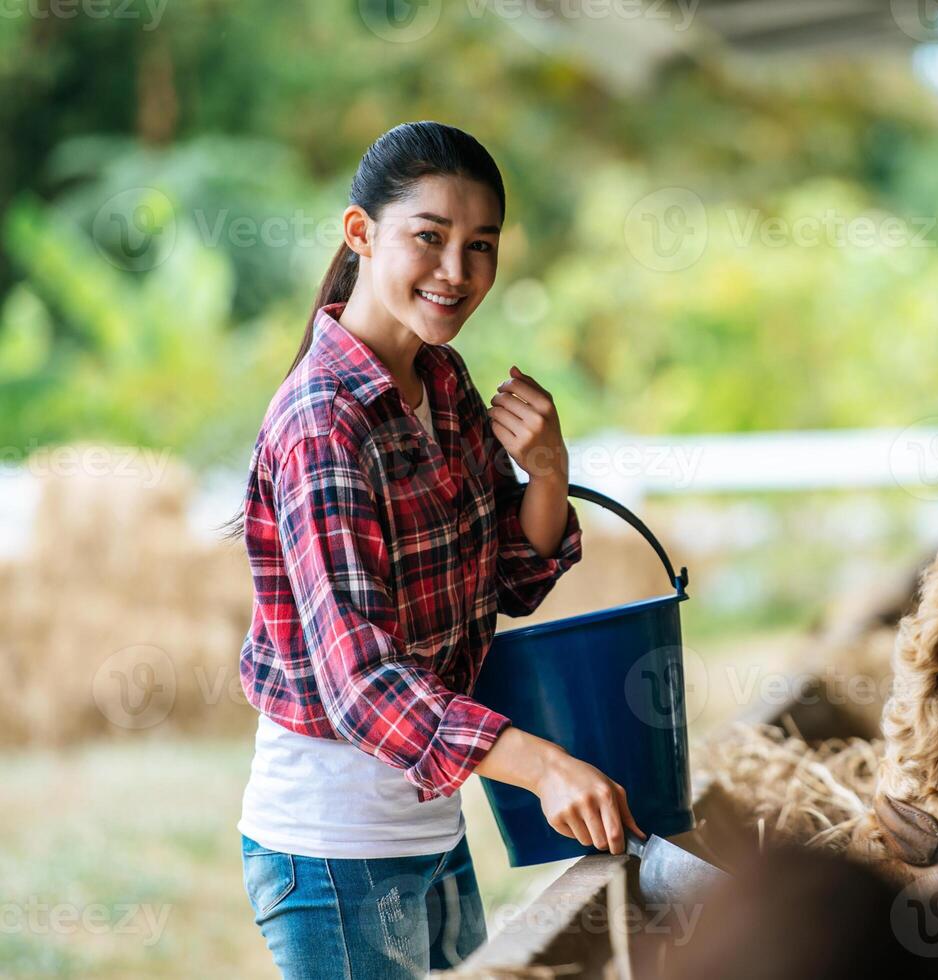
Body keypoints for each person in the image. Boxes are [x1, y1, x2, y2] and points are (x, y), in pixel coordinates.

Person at [220, 120, 643, 979]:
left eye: (479, 245)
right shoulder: (324, 421)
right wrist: (543, 766)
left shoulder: (443, 383)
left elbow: (511, 583)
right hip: (333, 847)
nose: (457, 272)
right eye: (429, 237)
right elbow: (362, 685)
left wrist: (550, 469)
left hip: (430, 824)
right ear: (360, 233)